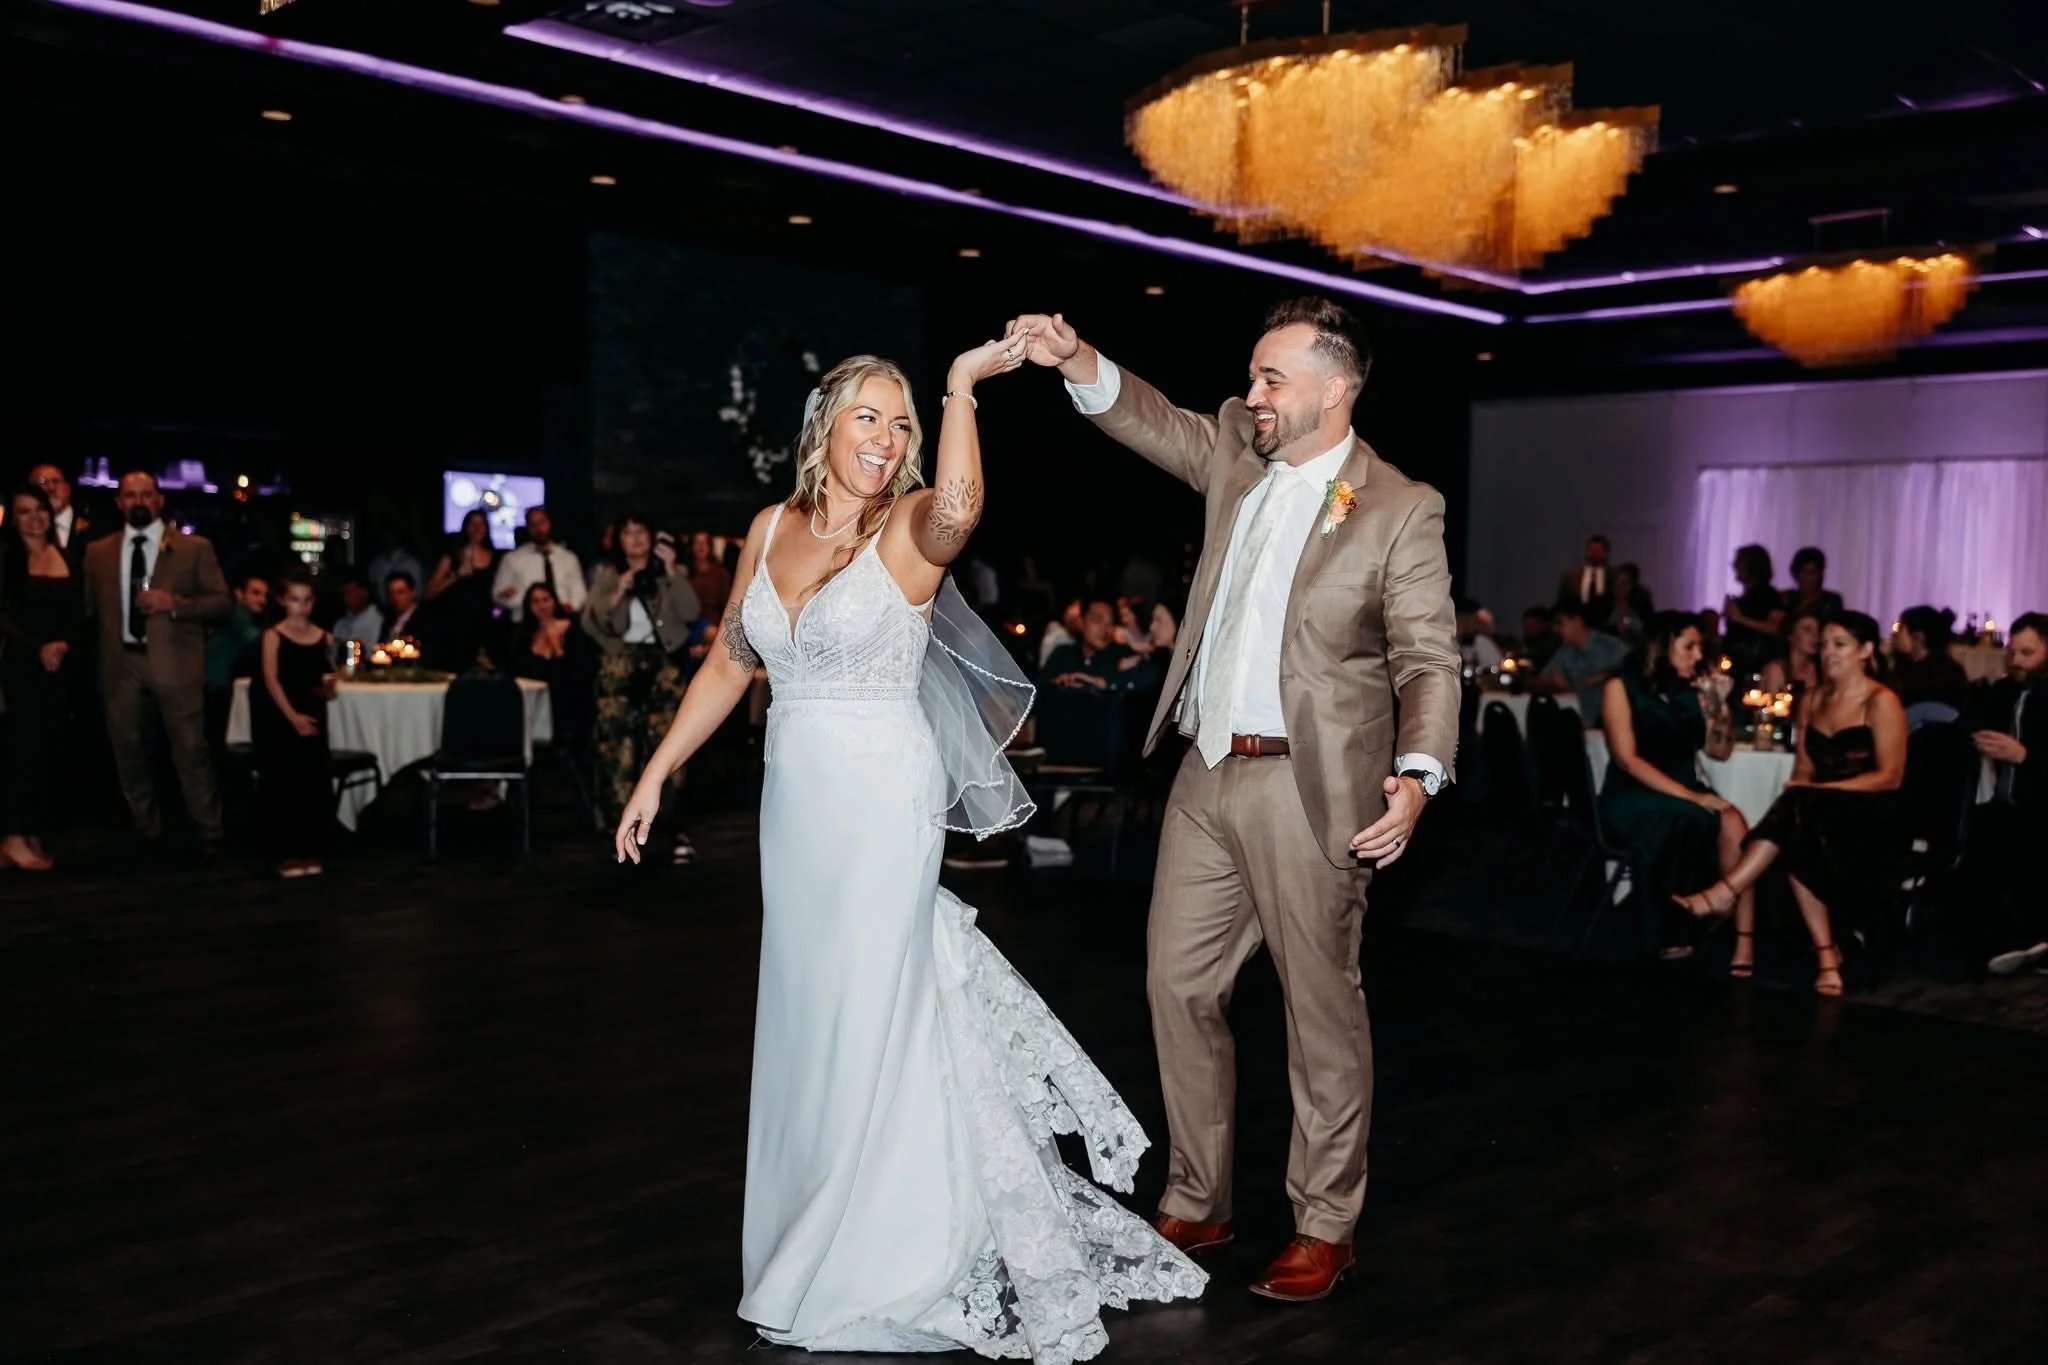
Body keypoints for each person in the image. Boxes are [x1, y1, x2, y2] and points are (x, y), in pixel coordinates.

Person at [611, 340, 1204, 1356]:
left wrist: (961, 390)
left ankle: (875, 1252)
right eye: (868, 420)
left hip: (883, 794)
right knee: (810, 1015)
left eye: (900, 425)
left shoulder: (907, 532)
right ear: (822, 426)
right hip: (794, 805)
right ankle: (805, 1231)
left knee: (871, 1010)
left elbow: (962, 509)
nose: (886, 442)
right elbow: (726, 660)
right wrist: (656, 772)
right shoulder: (768, 528)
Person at [1013, 298, 1459, 1302]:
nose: (1249, 395)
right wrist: (1073, 355)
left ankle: (1323, 1224)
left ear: (1333, 390)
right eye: (1251, 377)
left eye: (1269, 379)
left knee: (1319, 1010)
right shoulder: (1234, 455)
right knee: (1176, 987)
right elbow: (1152, 418)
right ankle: (1198, 1196)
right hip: (1205, 772)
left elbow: (1429, 659)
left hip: (1314, 789)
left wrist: (1420, 771)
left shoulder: (1397, 506)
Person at [1674, 612, 1907, 995]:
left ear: (1865, 651)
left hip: (1872, 810)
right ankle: (1826, 959)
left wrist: (1822, 792)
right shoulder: (1812, 699)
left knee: (1801, 811)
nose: (1828, 652)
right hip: (1819, 809)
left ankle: (1726, 893)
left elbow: (1890, 776)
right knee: (1800, 819)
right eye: (1825, 644)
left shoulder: (1881, 701)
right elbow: (1804, 769)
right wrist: (1808, 790)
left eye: (1840, 645)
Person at [82, 472, 230, 851]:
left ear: (160, 499)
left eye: (146, 494)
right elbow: (87, 611)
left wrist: (175, 605)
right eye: (130, 495)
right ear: (119, 503)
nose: (139, 501)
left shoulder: (194, 548)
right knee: (127, 751)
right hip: (121, 663)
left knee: (190, 750)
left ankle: (209, 829)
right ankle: (145, 829)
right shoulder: (97, 553)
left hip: (176, 664)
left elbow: (221, 603)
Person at [1596, 612, 1750, 963]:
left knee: (1730, 820)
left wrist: (1720, 708)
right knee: (1683, 818)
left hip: (1684, 793)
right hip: (1631, 794)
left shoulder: (1691, 691)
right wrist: (1691, 796)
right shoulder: (1619, 686)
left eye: (1699, 647)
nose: (1698, 656)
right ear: (1661, 647)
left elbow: (1719, 751)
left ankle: (1724, 920)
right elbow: (1627, 760)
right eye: (1689, 647)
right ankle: (1668, 930)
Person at [583, 514, 701, 864]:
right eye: (627, 533)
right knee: (616, 744)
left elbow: (691, 612)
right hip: (621, 664)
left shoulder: (668, 572)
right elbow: (591, 621)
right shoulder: (607, 574)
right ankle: (621, 824)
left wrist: (671, 571)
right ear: (617, 539)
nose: (635, 539)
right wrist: (618, 590)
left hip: (662, 665)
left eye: (641, 532)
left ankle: (670, 824)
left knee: (668, 742)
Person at [0, 484, 83, 870]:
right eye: (23, 511)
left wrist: (63, 645)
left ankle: (31, 831)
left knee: (48, 751)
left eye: (40, 510)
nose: (34, 518)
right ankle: (13, 837)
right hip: (20, 665)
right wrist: (39, 648)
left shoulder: (63, 554)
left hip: (58, 668)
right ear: (11, 518)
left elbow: (78, 612)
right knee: (22, 751)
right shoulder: (6, 556)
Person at [1975, 613, 2046, 975]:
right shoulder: (2003, 692)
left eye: (2027, 653)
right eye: (2013, 652)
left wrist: (2024, 756)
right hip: (2003, 804)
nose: (2017, 661)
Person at [252, 573, 334, 878]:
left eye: (307, 600)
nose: (301, 607)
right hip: (283, 717)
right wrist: (292, 717)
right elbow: (271, 681)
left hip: (313, 713)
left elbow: (324, 676)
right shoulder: (273, 636)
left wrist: (330, 687)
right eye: (295, 600)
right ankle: (286, 853)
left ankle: (310, 849)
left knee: (311, 782)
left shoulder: (323, 636)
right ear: (283, 601)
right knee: (285, 784)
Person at [512, 582, 595, 747]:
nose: (541, 606)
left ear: (554, 601)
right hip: (533, 702)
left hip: (567, 701)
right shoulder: (523, 635)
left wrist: (557, 646)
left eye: (545, 600)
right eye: (535, 601)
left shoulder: (572, 629)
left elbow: (577, 673)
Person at [425, 509, 498, 672]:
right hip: (454, 625)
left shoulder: (495, 558)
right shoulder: (452, 555)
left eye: (481, 524)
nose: (477, 528)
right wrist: (456, 575)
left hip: (484, 625)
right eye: (473, 524)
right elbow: (429, 591)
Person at [1530, 601, 1629, 719]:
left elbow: (1633, 676)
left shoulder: (1611, 647)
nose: (1556, 630)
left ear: (1577, 622)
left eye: (1560, 623)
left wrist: (1606, 676)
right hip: (1582, 725)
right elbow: (1541, 680)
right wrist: (1553, 685)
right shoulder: (1565, 651)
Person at [204, 571, 268, 748]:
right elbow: (252, 637)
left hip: (216, 683)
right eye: (256, 593)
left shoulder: (243, 615)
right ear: (240, 594)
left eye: (264, 595)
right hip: (215, 684)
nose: (262, 600)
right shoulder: (238, 612)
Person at [493, 505, 587, 623]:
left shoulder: (568, 558)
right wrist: (526, 602)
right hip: (525, 622)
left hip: (562, 622)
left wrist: (571, 605)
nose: (538, 528)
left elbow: (580, 593)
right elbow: (497, 595)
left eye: (542, 522)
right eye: (533, 524)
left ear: (549, 523)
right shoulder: (512, 559)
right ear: (528, 528)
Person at [1891, 605, 1970, 719]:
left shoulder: (1940, 675)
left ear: (1917, 638)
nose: (1895, 634)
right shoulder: (1951, 669)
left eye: (1900, 628)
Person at [1721, 543, 1785, 677]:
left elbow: (1776, 628)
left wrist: (1740, 618)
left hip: (1757, 666)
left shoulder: (1769, 595)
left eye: (1739, 562)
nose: (1734, 565)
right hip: (1737, 663)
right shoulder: (1744, 598)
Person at [28, 464, 94, 568]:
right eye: (42, 482)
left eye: (56, 481)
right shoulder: (22, 529)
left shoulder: (95, 526)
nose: (51, 488)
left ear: (67, 488)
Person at [1760, 607, 1821, 698]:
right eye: (1807, 629)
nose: (1815, 636)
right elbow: (1771, 708)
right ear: (1790, 635)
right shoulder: (1775, 670)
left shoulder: (1818, 668)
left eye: (1818, 631)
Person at [1781, 546, 1842, 626]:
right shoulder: (1786, 598)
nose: (1808, 578)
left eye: (1813, 572)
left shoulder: (1830, 601)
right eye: (1804, 572)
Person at [1557, 533, 1614, 619]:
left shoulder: (1615, 576)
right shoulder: (1570, 576)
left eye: (1597, 551)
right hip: (1578, 622)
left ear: (1605, 553)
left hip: (1606, 622)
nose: (1593, 554)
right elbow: (1562, 602)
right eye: (1590, 550)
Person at [684, 529, 732, 623]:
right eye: (697, 542)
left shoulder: (720, 572)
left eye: (704, 543)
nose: (701, 546)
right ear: (691, 546)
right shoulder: (684, 572)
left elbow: (726, 603)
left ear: (710, 547)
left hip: (714, 623)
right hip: (689, 623)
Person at [1602, 561, 1652, 645]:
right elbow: (1597, 632)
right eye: (1617, 583)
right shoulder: (1604, 605)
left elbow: (1649, 629)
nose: (1620, 587)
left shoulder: (1642, 605)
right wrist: (1615, 628)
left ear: (1632, 586)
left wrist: (1629, 623)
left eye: (1625, 584)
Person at [331, 572, 384, 645]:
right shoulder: (340, 625)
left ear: (364, 593)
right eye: (344, 593)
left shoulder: (380, 623)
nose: (346, 598)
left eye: (350, 593)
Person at [380, 572, 422, 641]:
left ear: (412, 593)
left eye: (400, 592)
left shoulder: (423, 620)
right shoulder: (388, 621)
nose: (395, 597)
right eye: (392, 593)